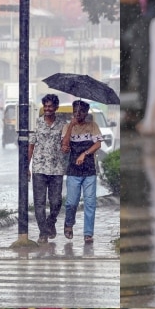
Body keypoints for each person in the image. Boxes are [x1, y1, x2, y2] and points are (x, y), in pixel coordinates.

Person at [27, 94, 69, 244]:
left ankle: (51, 222)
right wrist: (27, 166)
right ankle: (43, 233)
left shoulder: (63, 124)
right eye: (45, 106)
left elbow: (66, 144)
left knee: (56, 201)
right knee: (39, 202)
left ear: (56, 108)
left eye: (50, 106)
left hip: (57, 168)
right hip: (39, 167)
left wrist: (66, 144)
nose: (47, 109)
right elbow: (31, 146)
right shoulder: (37, 124)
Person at [61, 100, 104, 245]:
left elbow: (98, 144)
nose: (78, 114)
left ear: (86, 113)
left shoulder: (92, 126)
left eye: (81, 111)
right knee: (71, 203)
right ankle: (68, 224)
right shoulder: (67, 126)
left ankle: (88, 234)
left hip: (89, 171)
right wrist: (71, 126)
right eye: (76, 111)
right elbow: (65, 145)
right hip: (73, 171)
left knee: (90, 203)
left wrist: (85, 154)